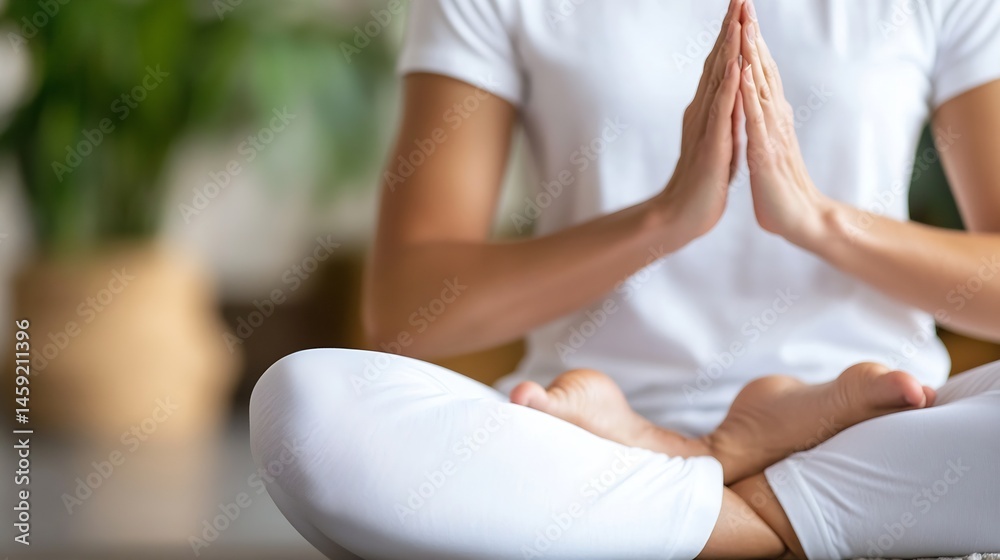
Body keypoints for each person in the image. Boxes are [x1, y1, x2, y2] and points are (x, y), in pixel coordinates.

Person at [250, 0, 1000, 557]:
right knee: (304, 406)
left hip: (875, 426)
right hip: (588, 442)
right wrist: (664, 219)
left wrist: (816, 219)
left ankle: (681, 514)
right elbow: (409, 306)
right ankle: (790, 515)